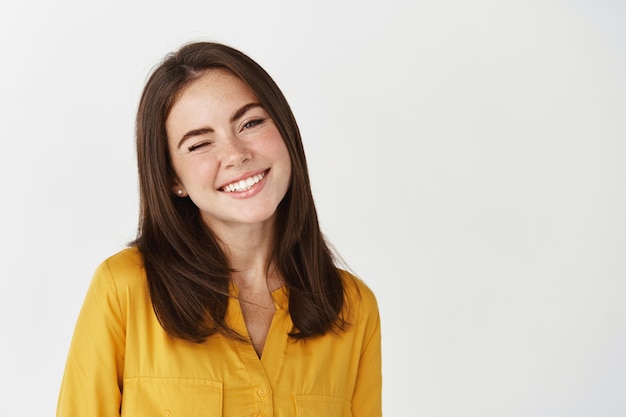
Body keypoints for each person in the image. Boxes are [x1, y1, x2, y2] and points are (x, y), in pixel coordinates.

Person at [56, 41, 382, 417]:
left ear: (286, 131)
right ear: (172, 179)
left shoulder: (352, 307)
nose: (235, 154)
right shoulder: (124, 289)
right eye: (199, 144)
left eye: (251, 123)